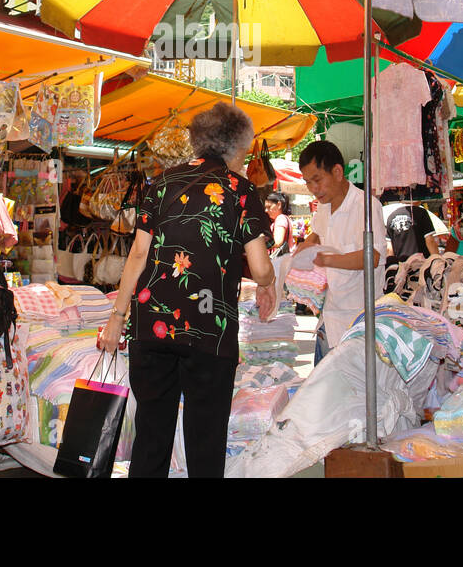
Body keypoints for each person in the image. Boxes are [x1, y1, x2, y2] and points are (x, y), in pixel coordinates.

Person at [100, 103, 275, 478]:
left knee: (151, 437)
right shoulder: (241, 190)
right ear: (236, 147)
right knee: (205, 442)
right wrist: (269, 283)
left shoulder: (160, 183)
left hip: (151, 328)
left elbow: (138, 255)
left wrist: (117, 319)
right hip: (209, 333)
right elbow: (260, 268)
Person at [296, 140, 387, 363]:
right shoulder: (323, 208)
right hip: (329, 317)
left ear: (337, 171)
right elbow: (317, 233)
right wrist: (302, 249)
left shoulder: (366, 205)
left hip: (359, 321)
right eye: (308, 183)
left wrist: (325, 260)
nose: (314, 189)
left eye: (317, 180)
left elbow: (372, 257)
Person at [264, 191, 294, 256]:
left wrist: (259, 245)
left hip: (280, 261)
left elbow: (278, 242)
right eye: (265, 208)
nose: (266, 210)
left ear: (279, 205)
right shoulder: (285, 218)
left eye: (269, 207)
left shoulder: (280, 218)